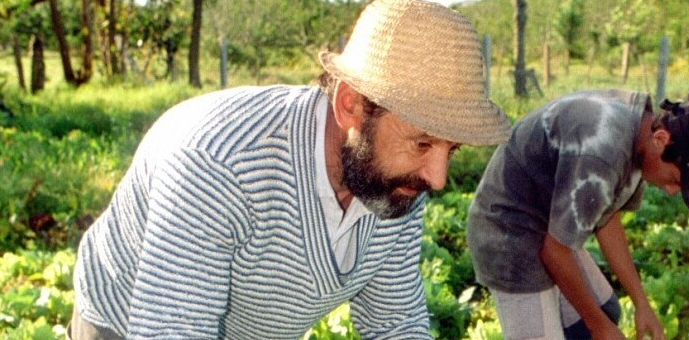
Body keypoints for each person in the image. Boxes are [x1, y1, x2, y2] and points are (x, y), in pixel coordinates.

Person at [68, 0, 512, 339]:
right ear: (351, 105)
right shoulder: (219, 163)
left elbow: (395, 322)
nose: (436, 178)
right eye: (423, 143)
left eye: (450, 149)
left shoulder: (394, 183)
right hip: (128, 324)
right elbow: (171, 329)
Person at [467, 90, 689, 340]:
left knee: (605, 311)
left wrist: (641, 304)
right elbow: (555, 250)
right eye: (675, 179)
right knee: (588, 324)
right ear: (662, 140)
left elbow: (607, 219)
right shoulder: (604, 151)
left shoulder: (642, 132)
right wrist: (598, 326)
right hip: (507, 230)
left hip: (546, 221)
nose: (671, 191)